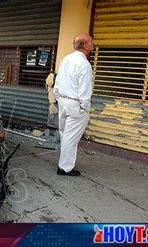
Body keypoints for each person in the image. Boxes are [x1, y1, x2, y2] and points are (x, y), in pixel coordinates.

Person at [53, 33, 94, 176]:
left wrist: (59, 98)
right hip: (76, 105)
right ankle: (64, 168)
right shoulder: (84, 65)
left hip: (63, 102)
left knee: (65, 135)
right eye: (90, 41)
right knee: (71, 138)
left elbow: (57, 83)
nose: (93, 43)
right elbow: (85, 90)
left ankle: (64, 164)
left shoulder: (66, 59)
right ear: (85, 46)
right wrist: (85, 107)